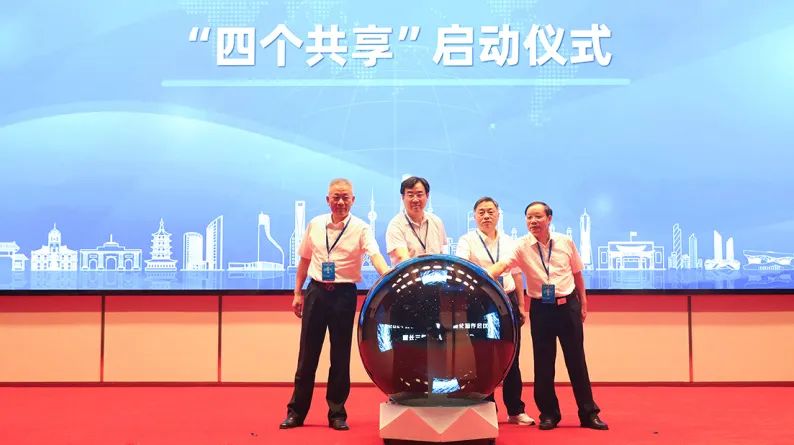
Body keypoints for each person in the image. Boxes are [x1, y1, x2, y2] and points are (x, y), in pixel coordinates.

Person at [280, 178, 390, 431]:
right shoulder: (315, 224)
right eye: (336, 197)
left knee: (340, 357)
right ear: (327, 199)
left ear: (353, 200)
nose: (341, 202)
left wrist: (387, 274)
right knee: (307, 356)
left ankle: (337, 414)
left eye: (345, 197)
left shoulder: (361, 228)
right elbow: (305, 260)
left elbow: (374, 255)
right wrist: (297, 293)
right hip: (316, 292)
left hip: (344, 295)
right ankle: (296, 412)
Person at [488, 201, 608, 431]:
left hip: (568, 306)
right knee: (543, 363)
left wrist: (583, 302)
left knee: (576, 361)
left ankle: (588, 413)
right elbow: (502, 265)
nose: (533, 221)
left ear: (549, 218)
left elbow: (577, 273)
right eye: (529, 217)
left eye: (538, 217)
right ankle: (549, 414)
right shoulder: (520, 246)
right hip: (541, 309)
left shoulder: (565, 241)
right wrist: (483, 274)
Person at [455, 197, 535, 426]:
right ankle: (487, 407)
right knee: (482, 356)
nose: (486, 216)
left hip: (508, 300)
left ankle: (515, 410)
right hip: (480, 303)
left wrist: (521, 306)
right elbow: (462, 269)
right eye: (481, 212)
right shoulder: (467, 241)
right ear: (474, 216)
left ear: (499, 214)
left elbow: (517, 275)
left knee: (511, 357)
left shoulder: (510, 242)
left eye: (490, 211)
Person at [385, 176, 447, 265]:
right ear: (402, 197)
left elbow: (443, 255)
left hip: (436, 272)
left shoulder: (436, 221)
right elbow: (401, 259)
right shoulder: (396, 225)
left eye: (419, 195)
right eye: (410, 195)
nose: (415, 199)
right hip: (408, 273)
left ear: (427, 195)